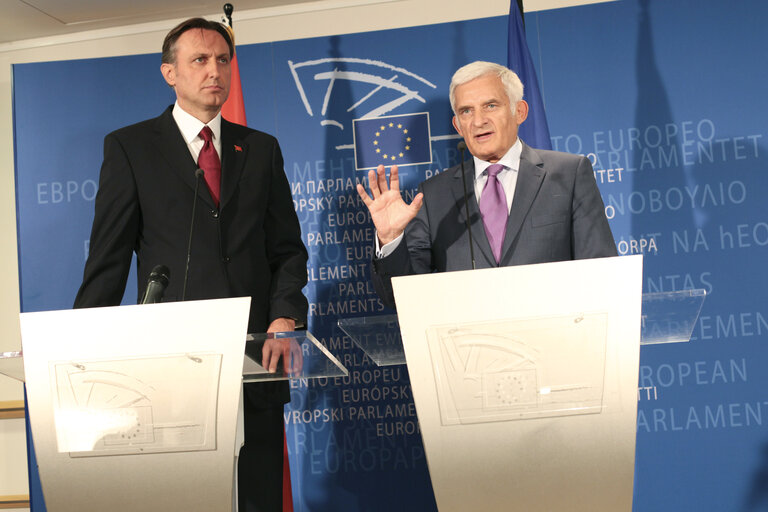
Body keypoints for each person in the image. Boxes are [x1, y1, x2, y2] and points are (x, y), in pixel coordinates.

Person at [73, 18, 307, 512]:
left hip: (254, 362)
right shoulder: (131, 148)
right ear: (169, 73)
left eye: (223, 60)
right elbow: (108, 260)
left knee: (258, 499)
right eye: (199, 60)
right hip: (173, 369)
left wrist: (285, 316)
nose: (215, 71)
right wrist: (82, 352)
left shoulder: (260, 148)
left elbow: (286, 250)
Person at [357, 61, 617, 307]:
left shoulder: (568, 174)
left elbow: (601, 271)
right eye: (466, 111)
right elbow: (401, 297)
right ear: (457, 125)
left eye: (490, 105)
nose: (478, 121)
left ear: (520, 111)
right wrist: (390, 239)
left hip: (553, 342)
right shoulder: (433, 195)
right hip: (468, 350)